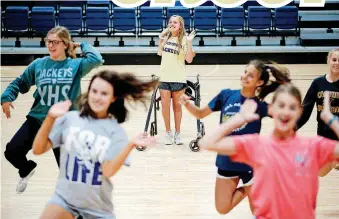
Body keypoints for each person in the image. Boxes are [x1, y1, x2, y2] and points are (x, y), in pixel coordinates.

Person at [197, 84, 339, 219]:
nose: (285, 112)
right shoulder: (256, 145)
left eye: (292, 107)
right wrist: (238, 119)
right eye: (281, 106)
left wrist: (330, 119)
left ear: (300, 112)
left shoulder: (313, 147)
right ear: (272, 110)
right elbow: (206, 143)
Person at [32, 69, 158, 219]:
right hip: (64, 200)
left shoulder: (116, 133)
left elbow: (107, 172)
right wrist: (50, 117)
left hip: (97, 209)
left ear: (113, 98)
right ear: (88, 92)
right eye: (94, 91)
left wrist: (130, 145)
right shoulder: (70, 119)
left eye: (104, 93)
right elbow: (38, 149)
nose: (98, 97)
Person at [1, 26, 104, 194]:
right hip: (38, 119)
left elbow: (96, 59)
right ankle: (27, 169)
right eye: (48, 42)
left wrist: (79, 45)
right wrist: (6, 97)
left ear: (65, 44)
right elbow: (20, 82)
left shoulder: (75, 65)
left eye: (55, 42)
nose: (50, 46)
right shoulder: (39, 64)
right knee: (12, 151)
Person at [180, 60, 291, 214]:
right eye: (245, 72)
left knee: (258, 213)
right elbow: (200, 113)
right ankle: (248, 189)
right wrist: (186, 104)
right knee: (222, 208)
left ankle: (253, 185)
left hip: (251, 164)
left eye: (250, 75)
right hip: (227, 161)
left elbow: (286, 117)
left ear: (259, 82)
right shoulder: (226, 95)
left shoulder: (260, 106)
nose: (245, 76)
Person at [296, 48, 339, 176]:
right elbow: (305, 110)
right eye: (334, 60)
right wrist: (291, 128)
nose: (337, 63)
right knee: (320, 172)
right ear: (328, 61)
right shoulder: (318, 83)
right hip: (323, 136)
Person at [157, 15, 196, 145]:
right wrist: (161, 38)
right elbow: (160, 53)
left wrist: (189, 42)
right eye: (170, 22)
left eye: (175, 22)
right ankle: (168, 133)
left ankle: (177, 134)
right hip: (164, 78)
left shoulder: (185, 39)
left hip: (178, 79)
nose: (172, 24)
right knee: (165, 107)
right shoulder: (166, 38)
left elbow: (189, 59)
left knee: (177, 108)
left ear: (180, 26)